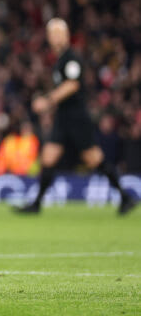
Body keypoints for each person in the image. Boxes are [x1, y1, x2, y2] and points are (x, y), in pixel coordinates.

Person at [17, 18, 137, 215]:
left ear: (66, 35)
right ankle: (36, 204)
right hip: (63, 118)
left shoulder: (71, 58)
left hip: (77, 118)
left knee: (94, 159)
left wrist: (48, 101)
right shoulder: (60, 60)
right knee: (48, 158)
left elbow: (72, 85)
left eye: (59, 33)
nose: (55, 37)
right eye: (52, 33)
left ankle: (125, 197)